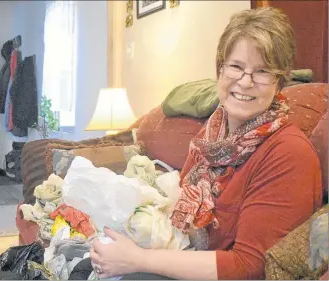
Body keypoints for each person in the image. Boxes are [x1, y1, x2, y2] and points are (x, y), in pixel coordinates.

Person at [90, 7, 323, 280]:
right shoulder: (212, 134)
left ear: (279, 81)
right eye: (236, 66)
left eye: (262, 71)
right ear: (220, 70)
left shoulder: (289, 154)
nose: (245, 82)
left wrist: (138, 259)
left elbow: (249, 267)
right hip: (189, 253)